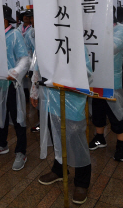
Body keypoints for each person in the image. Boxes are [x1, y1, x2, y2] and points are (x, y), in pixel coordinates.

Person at [32, 47, 93, 205]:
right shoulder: (46, 40)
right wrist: (34, 91)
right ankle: (59, 169)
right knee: (57, 136)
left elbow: (87, 72)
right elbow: (38, 67)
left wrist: (66, 76)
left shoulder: (75, 41)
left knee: (77, 141)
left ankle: (81, 182)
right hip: (51, 99)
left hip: (72, 100)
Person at [0, 6, 30, 171]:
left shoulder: (14, 34)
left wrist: (16, 72)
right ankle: (2, 144)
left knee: (18, 118)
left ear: (4, 19)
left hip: (11, 83)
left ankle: (21, 151)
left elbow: (24, 58)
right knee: (0, 116)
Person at [89, 7, 123, 162]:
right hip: (95, 78)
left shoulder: (120, 30)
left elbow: (111, 48)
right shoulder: (92, 30)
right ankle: (100, 137)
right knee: (97, 110)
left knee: (116, 113)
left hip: (112, 80)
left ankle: (120, 145)